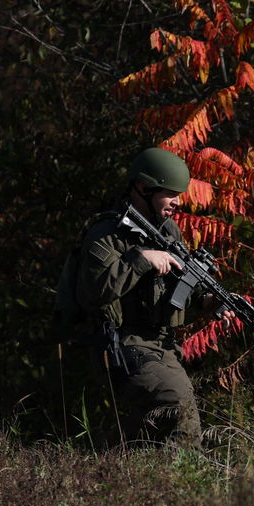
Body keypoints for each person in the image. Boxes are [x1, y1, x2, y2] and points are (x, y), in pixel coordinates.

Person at [74, 147, 211, 447]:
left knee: (165, 419)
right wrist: (140, 259)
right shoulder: (106, 233)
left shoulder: (169, 231)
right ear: (144, 188)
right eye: (170, 194)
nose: (178, 202)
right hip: (121, 344)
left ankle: (109, 464)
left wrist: (211, 303)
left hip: (162, 345)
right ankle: (181, 483)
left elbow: (180, 293)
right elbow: (92, 293)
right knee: (177, 403)